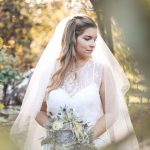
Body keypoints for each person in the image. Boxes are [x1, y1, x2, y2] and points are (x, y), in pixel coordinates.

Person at [10, 15, 140, 150]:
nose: (93, 44)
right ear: (72, 39)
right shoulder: (50, 71)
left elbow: (111, 113)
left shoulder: (101, 70)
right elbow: (38, 110)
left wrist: (84, 140)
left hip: (91, 144)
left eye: (95, 39)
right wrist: (57, 132)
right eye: (87, 38)